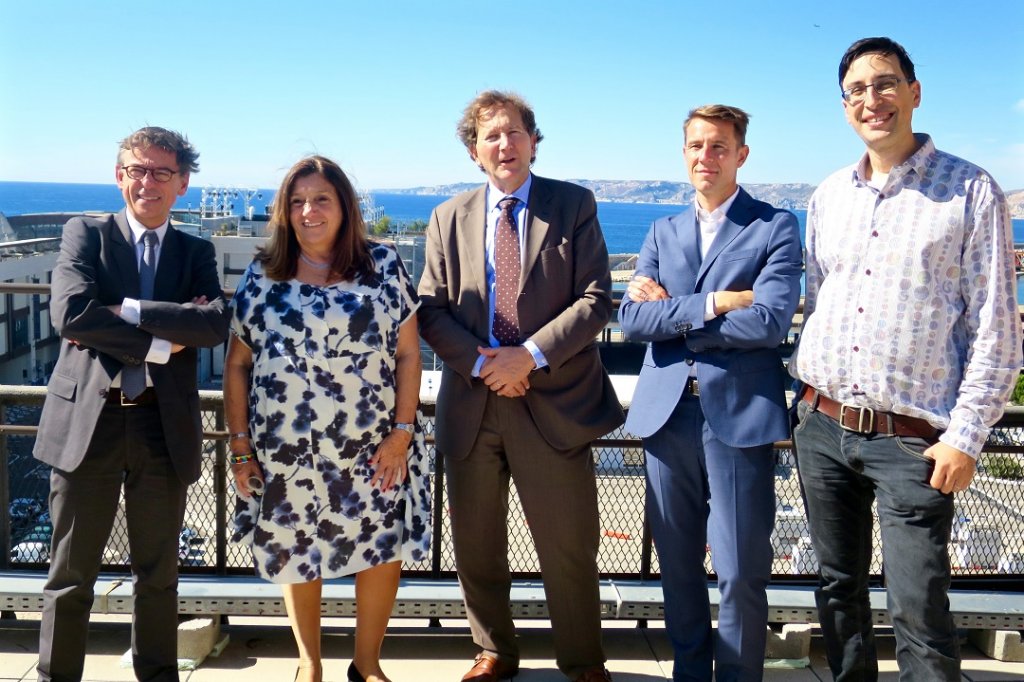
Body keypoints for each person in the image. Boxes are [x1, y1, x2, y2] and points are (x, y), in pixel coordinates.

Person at [791, 36, 1022, 681]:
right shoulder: (829, 195)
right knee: (837, 594)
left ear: (914, 93)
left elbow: (997, 333)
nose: (873, 99)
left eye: (886, 83)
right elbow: (819, 298)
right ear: (845, 108)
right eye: (857, 91)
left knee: (918, 607)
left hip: (915, 441)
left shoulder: (971, 190)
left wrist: (967, 437)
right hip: (822, 425)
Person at [417, 90, 624, 682]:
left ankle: (583, 660)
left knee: (569, 546)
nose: (504, 145)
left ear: (534, 141)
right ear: (474, 151)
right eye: (491, 136)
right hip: (473, 403)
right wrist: (485, 365)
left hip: (553, 401)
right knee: (477, 544)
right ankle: (494, 652)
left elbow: (595, 300)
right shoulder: (447, 216)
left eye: (514, 133)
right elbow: (429, 309)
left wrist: (528, 358)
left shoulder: (574, 204)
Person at [33, 126, 230, 681]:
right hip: (86, 425)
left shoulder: (196, 250)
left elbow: (215, 323)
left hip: (160, 428)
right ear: (119, 176)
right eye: (137, 170)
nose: (148, 182)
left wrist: (122, 313)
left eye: (161, 172)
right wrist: (166, 336)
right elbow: (70, 312)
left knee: (159, 575)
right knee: (70, 577)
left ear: (183, 184)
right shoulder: (85, 235)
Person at [224, 155, 430, 682]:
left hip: (375, 446)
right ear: (283, 212)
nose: (308, 211)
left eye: (321, 200)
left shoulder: (383, 264)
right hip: (286, 448)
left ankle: (367, 665)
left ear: (344, 207)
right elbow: (238, 362)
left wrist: (401, 435)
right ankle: (309, 664)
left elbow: (409, 354)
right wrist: (241, 447)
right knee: (296, 548)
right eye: (296, 202)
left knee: (381, 549)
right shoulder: (263, 272)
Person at [619, 105, 803, 681]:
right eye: (696, 146)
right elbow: (632, 322)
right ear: (684, 154)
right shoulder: (661, 231)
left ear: (741, 154)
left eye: (719, 146)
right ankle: (690, 674)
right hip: (666, 415)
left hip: (738, 415)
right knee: (677, 566)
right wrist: (718, 302)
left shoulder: (774, 226)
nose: (706, 156)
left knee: (742, 568)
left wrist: (670, 310)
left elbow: (770, 324)